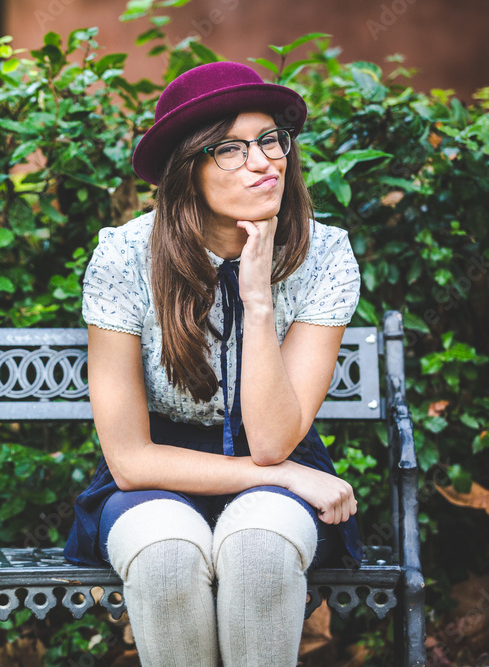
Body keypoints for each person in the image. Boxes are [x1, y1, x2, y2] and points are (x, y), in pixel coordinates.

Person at [63, 61, 364, 666]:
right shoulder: (124, 258)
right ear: (188, 169)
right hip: (157, 475)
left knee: (259, 547)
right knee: (166, 554)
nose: (263, 162)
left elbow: (276, 441)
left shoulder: (325, 254)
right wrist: (283, 477)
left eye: (269, 140)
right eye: (230, 149)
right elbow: (128, 460)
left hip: (277, 454)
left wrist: (257, 303)